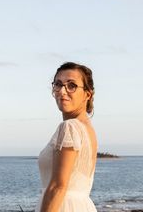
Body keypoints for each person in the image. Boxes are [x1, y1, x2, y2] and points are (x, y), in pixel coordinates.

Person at [36, 62, 98, 212]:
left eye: (72, 85)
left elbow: (58, 187)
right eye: (58, 84)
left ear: (87, 94)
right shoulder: (88, 129)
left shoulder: (70, 127)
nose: (63, 91)